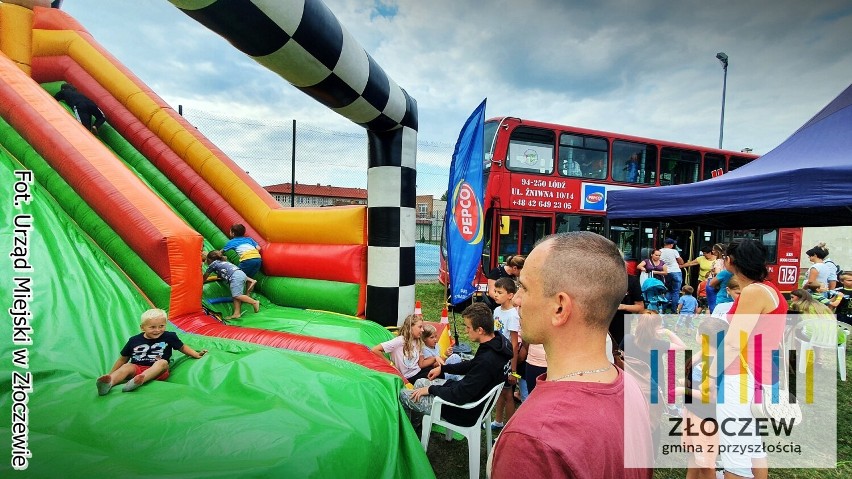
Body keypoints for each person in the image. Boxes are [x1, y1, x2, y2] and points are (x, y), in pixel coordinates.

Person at [490, 232, 653, 478]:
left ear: (560, 307)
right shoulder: (630, 387)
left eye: (524, 287)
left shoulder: (532, 440)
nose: (518, 299)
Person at [712, 239, 787, 479]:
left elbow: (734, 342)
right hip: (760, 374)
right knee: (752, 443)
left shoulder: (753, 292)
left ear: (730, 262)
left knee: (736, 455)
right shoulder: (769, 289)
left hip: (742, 378)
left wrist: (710, 376)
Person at [399, 303, 512, 428]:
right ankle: (417, 423)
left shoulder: (487, 361)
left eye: (468, 327)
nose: (466, 331)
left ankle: (410, 432)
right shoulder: (497, 343)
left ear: (480, 330)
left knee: (403, 394)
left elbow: (459, 395)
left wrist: (431, 389)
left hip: (462, 411)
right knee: (420, 382)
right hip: (473, 400)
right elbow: (471, 364)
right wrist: (443, 368)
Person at [96, 309, 207, 395]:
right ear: (142, 327)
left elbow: (182, 347)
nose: (157, 330)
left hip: (157, 371)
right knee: (127, 366)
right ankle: (108, 384)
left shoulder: (169, 336)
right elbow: (122, 359)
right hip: (137, 369)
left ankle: (139, 381)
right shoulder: (134, 340)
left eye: (161, 326)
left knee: (162, 362)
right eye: (152, 327)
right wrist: (111, 373)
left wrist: (196, 354)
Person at [675, 316, 729, 479]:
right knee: (693, 456)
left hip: (705, 419)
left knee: (705, 465)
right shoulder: (704, 356)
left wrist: (683, 390)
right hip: (692, 412)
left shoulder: (716, 364)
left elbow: (711, 397)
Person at [490, 277, 521, 431]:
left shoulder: (513, 316)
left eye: (499, 292)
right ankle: (498, 421)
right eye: (495, 291)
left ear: (510, 295)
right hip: (498, 359)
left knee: (508, 394)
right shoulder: (496, 310)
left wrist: (513, 371)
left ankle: (510, 427)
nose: (495, 294)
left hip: (508, 362)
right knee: (499, 391)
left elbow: (515, 344)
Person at [372, 314, 432, 382]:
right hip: (408, 377)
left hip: (417, 372)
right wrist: (391, 364)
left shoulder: (417, 341)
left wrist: (435, 359)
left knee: (435, 370)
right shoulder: (400, 340)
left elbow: (421, 364)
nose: (422, 330)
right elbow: (375, 349)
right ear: (410, 327)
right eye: (420, 327)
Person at [203, 250, 260, 320]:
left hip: (235, 276)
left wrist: (200, 282)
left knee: (237, 295)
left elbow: (205, 276)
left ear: (209, 259)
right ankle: (237, 313)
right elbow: (220, 275)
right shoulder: (222, 263)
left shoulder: (213, 264)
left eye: (206, 260)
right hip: (240, 274)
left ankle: (254, 302)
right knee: (235, 296)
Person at [610, 269, 645, 354]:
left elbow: (640, 308)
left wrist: (622, 306)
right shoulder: (598, 279)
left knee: (619, 354)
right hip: (599, 326)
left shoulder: (631, 280)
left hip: (621, 325)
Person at [660, 238, 684, 313]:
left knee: (668, 291)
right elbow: (681, 262)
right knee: (676, 292)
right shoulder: (674, 251)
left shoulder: (660, 251)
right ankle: (674, 310)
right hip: (676, 271)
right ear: (671, 245)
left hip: (666, 272)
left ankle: (663, 309)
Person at [705, 243, 727, 313]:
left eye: (714, 250)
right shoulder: (727, 261)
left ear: (718, 251)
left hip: (713, 281)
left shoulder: (718, 261)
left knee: (712, 303)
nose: (712, 252)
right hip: (723, 282)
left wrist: (713, 272)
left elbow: (717, 272)